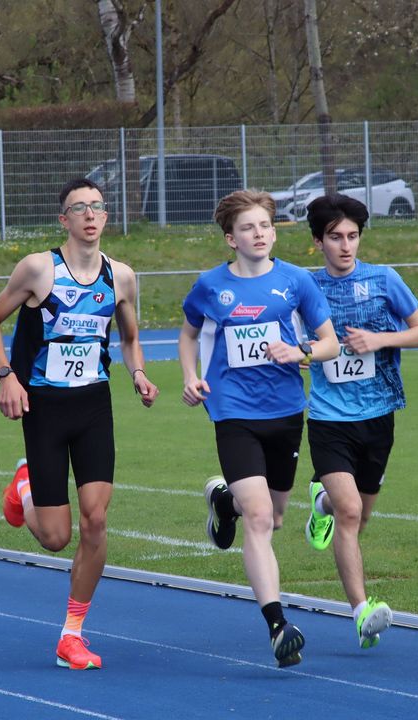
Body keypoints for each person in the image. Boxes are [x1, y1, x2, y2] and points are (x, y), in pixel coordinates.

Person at [0, 178, 158, 671]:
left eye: (97, 206)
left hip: (94, 406)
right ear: (64, 220)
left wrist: (138, 373)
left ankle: (71, 634)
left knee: (96, 520)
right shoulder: (39, 269)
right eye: (79, 208)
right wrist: (6, 377)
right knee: (56, 537)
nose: (90, 215)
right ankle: (25, 487)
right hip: (45, 408)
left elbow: (129, 337)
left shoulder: (121, 276)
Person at [179, 189, 338, 668]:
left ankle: (222, 501)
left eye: (265, 226)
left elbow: (330, 343)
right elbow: (187, 335)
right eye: (248, 228)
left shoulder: (296, 282)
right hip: (233, 413)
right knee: (261, 519)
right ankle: (277, 625)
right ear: (231, 238)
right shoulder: (210, 286)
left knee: (276, 515)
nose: (260, 234)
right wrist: (191, 377)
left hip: (286, 411)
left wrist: (301, 352)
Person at [301, 194, 418, 649]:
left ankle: (321, 505)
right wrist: (301, 352)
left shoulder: (384, 279)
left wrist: (379, 339)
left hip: (378, 416)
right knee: (351, 512)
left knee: (358, 514)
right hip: (328, 418)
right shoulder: (303, 285)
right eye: (335, 237)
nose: (345, 245)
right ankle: (361, 612)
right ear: (317, 241)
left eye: (353, 236)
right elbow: (284, 332)